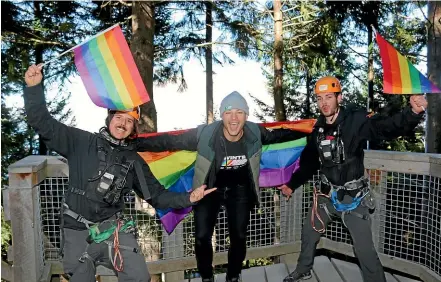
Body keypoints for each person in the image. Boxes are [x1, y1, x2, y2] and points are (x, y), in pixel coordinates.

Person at [23, 64, 215, 282]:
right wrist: (33, 88)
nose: (123, 124)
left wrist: (189, 197)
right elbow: (43, 124)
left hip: (113, 231)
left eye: (129, 121)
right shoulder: (81, 142)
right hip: (76, 231)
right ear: (109, 118)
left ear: (134, 128)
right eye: (119, 117)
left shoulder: (133, 160)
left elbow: (157, 196)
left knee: (139, 277)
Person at [136, 91, 310, 282]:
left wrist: (311, 130)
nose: (234, 118)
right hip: (208, 189)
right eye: (228, 112)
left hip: (240, 189)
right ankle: (207, 277)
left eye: (239, 112)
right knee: (202, 237)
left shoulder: (255, 132)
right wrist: (135, 142)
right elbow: (170, 141)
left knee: (239, 236)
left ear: (246, 115)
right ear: (221, 115)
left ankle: (233, 276)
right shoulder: (205, 134)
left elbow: (280, 136)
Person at [278, 76, 428, 282]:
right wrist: (291, 185)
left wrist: (412, 113)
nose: (324, 103)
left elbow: (385, 127)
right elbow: (310, 164)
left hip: (353, 199)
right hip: (326, 195)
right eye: (320, 98)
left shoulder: (355, 121)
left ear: (339, 98)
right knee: (309, 232)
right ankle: (303, 269)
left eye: (329, 97)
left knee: (364, 250)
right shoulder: (318, 129)